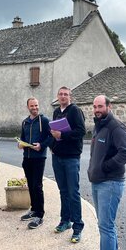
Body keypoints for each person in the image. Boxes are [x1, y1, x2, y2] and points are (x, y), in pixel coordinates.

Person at [88, 95, 126, 250]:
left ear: (109, 106)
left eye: (100, 106)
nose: (97, 110)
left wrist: (105, 167)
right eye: (94, 107)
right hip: (97, 181)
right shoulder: (98, 125)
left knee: (106, 227)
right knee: (105, 226)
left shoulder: (116, 126)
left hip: (110, 183)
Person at [50, 86, 86, 243]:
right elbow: (53, 132)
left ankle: (77, 227)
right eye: (61, 94)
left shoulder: (75, 111)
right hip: (57, 157)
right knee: (63, 191)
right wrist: (52, 145)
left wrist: (62, 134)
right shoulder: (57, 111)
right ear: (57, 96)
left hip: (71, 158)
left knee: (73, 192)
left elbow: (81, 131)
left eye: (66, 94)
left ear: (70, 96)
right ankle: (65, 221)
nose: (63, 96)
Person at [18, 97, 51, 229]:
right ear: (28, 107)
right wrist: (20, 144)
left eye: (36, 105)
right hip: (27, 158)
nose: (35, 108)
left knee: (37, 186)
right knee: (31, 185)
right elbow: (22, 138)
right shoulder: (25, 122)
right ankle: (33, 209)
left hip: (39, 158)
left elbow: (51, 137)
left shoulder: (44, 120)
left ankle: (39, 215)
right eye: (32, 106)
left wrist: (41, 146)